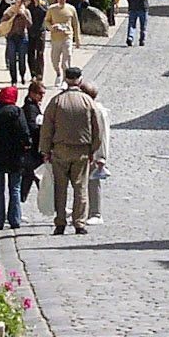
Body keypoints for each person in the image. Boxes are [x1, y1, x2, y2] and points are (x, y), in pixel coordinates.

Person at [43, 65, 100, 235]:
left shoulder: (56, 101)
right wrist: (93, 151)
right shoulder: (88, 102)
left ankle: (60, 222)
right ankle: (79, 223)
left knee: (60, 188)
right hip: (81, 149)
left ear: (66, 80)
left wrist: (45, 150)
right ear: (80, 80)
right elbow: (97, 129)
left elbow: (47, 127)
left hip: (60, 149)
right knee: (80, 187)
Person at [0, 85, 33, 231]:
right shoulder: (17, 112)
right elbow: (24, 132)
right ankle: (15, 219)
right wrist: (27, 145)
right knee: (15, 188)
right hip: (15, 156)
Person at [45, 0, 82, 81]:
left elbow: (75, 24)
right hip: (55, 38)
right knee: (55, 61)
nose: (60, 0)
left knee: (66, 60)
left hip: (67, 37)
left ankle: (66, 79)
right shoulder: (52, 9)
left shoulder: (71, 9)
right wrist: (51, 28)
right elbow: (47, 21)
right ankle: (58, 73)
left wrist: (77, 40)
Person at [0, 0, 32, 84]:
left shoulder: (26, 11)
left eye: (20, 2)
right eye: (17, 2)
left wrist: (23, 15)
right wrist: (13, 16)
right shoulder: (9, 11)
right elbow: (3, 21)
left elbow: (30, 24)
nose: (19, 4)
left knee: (22, 58)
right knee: (12, 58)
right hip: (11, 37)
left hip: (22, 37)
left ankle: (22, 75)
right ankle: (13, 79)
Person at [87, 81, 110, 222]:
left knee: (93, 182)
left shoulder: (99, 111)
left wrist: (102, 157)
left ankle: (96, 213)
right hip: (86, 151)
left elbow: (103, 136)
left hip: (95, 153)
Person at [20, 80, 46, 202]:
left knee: (32, 178)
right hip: (33, 150)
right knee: (33, 177)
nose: (42, 96)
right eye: (40, 93)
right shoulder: (30, 109)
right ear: (32, 93)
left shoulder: (33, 106)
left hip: (34, 149)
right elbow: (32, 127)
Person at [26, 0, 48, 81]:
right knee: (30, 53)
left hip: (40, 31)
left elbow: (46, 14)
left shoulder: (44, 4)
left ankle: (40, 74)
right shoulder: (28, 5)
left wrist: (39, 4)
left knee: (40, 53)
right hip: (30, 31)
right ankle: (33, 73)